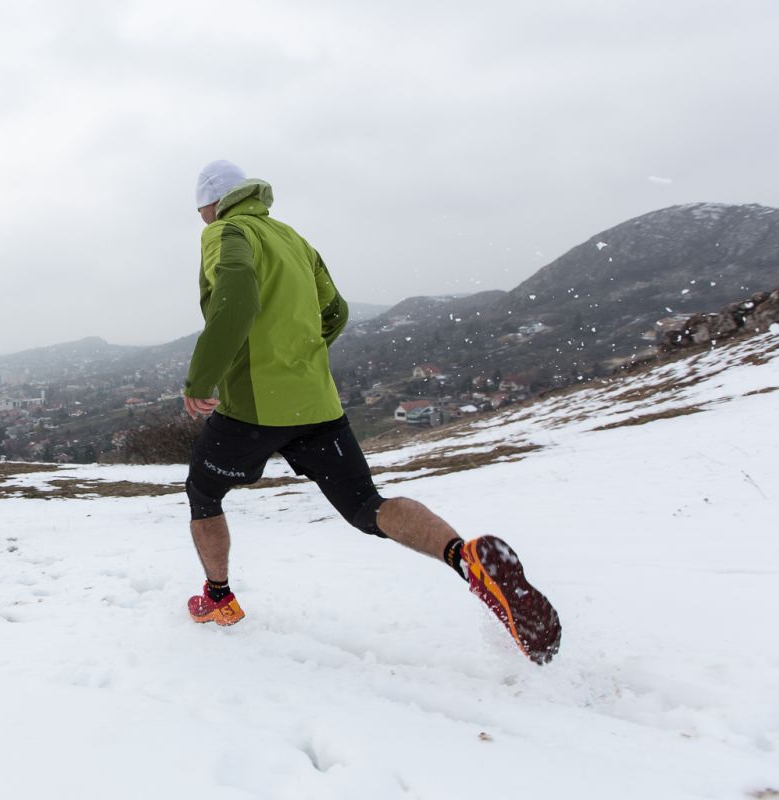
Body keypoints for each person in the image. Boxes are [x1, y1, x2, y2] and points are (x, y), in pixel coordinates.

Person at [181, 160, 561, 664]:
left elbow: (236, 299)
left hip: (252, 408)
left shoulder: (226, 232)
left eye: (200, 208)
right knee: (366, 505)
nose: (201, 217)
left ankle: (219, 598)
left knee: (204, 493)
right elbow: (335, 310)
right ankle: (465, 556)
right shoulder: (293, 239)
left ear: (212, 203)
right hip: (317, 404)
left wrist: (203, 377)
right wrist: (299, 357)